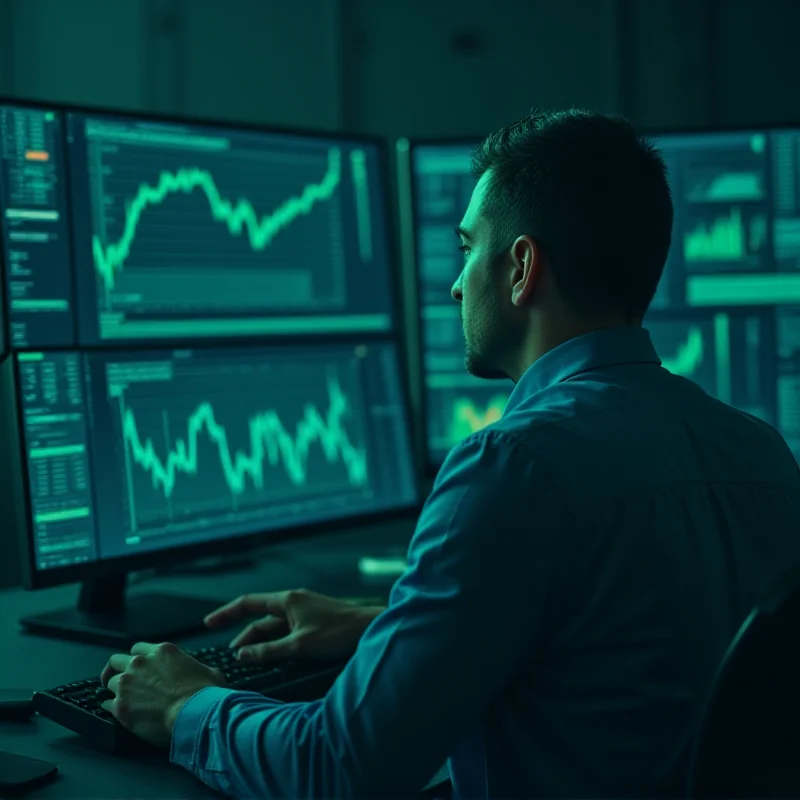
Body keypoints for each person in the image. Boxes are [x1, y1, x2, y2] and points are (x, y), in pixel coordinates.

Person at [98, 109, 800, 798]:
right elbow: (635, 650)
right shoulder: (762, 452)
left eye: (468, 248)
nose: (458, 283)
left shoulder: (512, 465)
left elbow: (341, 768)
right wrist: (391, 625)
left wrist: (185, 706)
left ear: (521, 266)